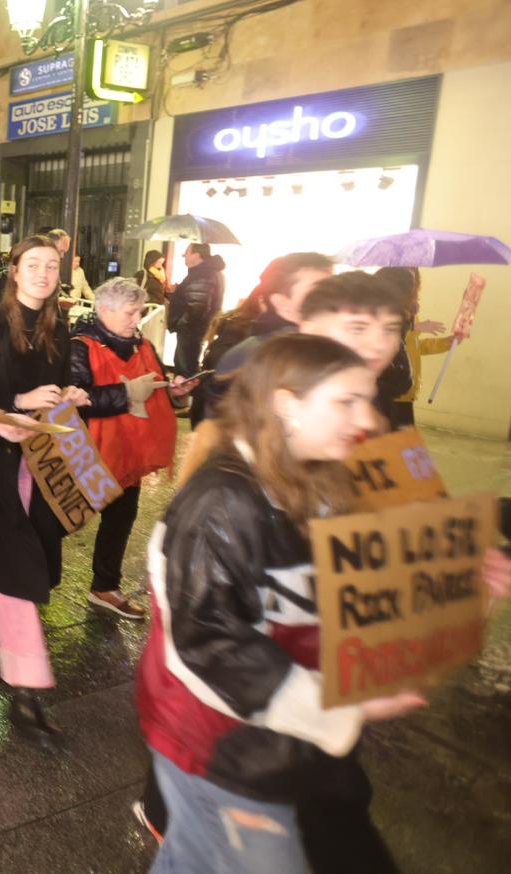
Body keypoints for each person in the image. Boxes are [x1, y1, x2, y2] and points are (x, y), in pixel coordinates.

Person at [137, 333, 430, 874]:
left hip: (264, 741)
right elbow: (211, 645)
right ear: (286, 404)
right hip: (222, 747)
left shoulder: (313, 479)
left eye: (365, 400)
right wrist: (346, 706)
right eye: (346, 402)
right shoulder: (223, 504)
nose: (366, 419)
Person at [0, 236, 89, 746]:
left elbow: (52, 403)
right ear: (13, 271)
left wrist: (66, 397)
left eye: (52, 266)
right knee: (18, 569)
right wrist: (16, 401)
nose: (43, 273)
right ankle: (27, 691)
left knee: (4, 558)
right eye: (33, 264)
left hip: (40, 466)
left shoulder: (60, 332)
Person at [177, 270, 406, 485]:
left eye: (389, 329)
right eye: (358, 328)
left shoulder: (377, 408)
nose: (380, 345)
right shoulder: (259, 412)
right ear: (309, 329)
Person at [68, 278, 199, 620]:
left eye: (139, 311)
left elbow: (155, 385)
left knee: (121, 518)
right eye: (130, 312)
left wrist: (175, 391)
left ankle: (105, 587)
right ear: (104, 311)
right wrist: (126, 394)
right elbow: (75, 403)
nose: (136, 319)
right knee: (61, 522)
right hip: (90, 454)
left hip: (129, 452)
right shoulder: (80, 347)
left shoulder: (141, 345)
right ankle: (24, 591)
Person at [192, 252, 334, 424]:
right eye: (317, 292)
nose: (332, 300)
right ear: (281, 302)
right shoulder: (261, 356)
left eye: (333, 290)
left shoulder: (312, 349)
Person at [372, 266, 452, 427]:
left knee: (406, 448)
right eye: (407, 279)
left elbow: (414, 348)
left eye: (413, 278)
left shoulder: (409, 315)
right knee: (399, 447)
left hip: (405, 394)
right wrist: (412, 325)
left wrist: (448, 343)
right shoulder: (380, 315)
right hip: (388, 395)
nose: (412, 284)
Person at [166, 243, 227, 380]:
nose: (183, 256)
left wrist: (182, 323)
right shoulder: (209, 272)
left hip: (191, 330)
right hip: (194, 329)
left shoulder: (203, 275)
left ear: (197, 255)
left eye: (187, 252)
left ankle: (183, 397)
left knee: (185, 369)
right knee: (187, 364)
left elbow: (197, 307)